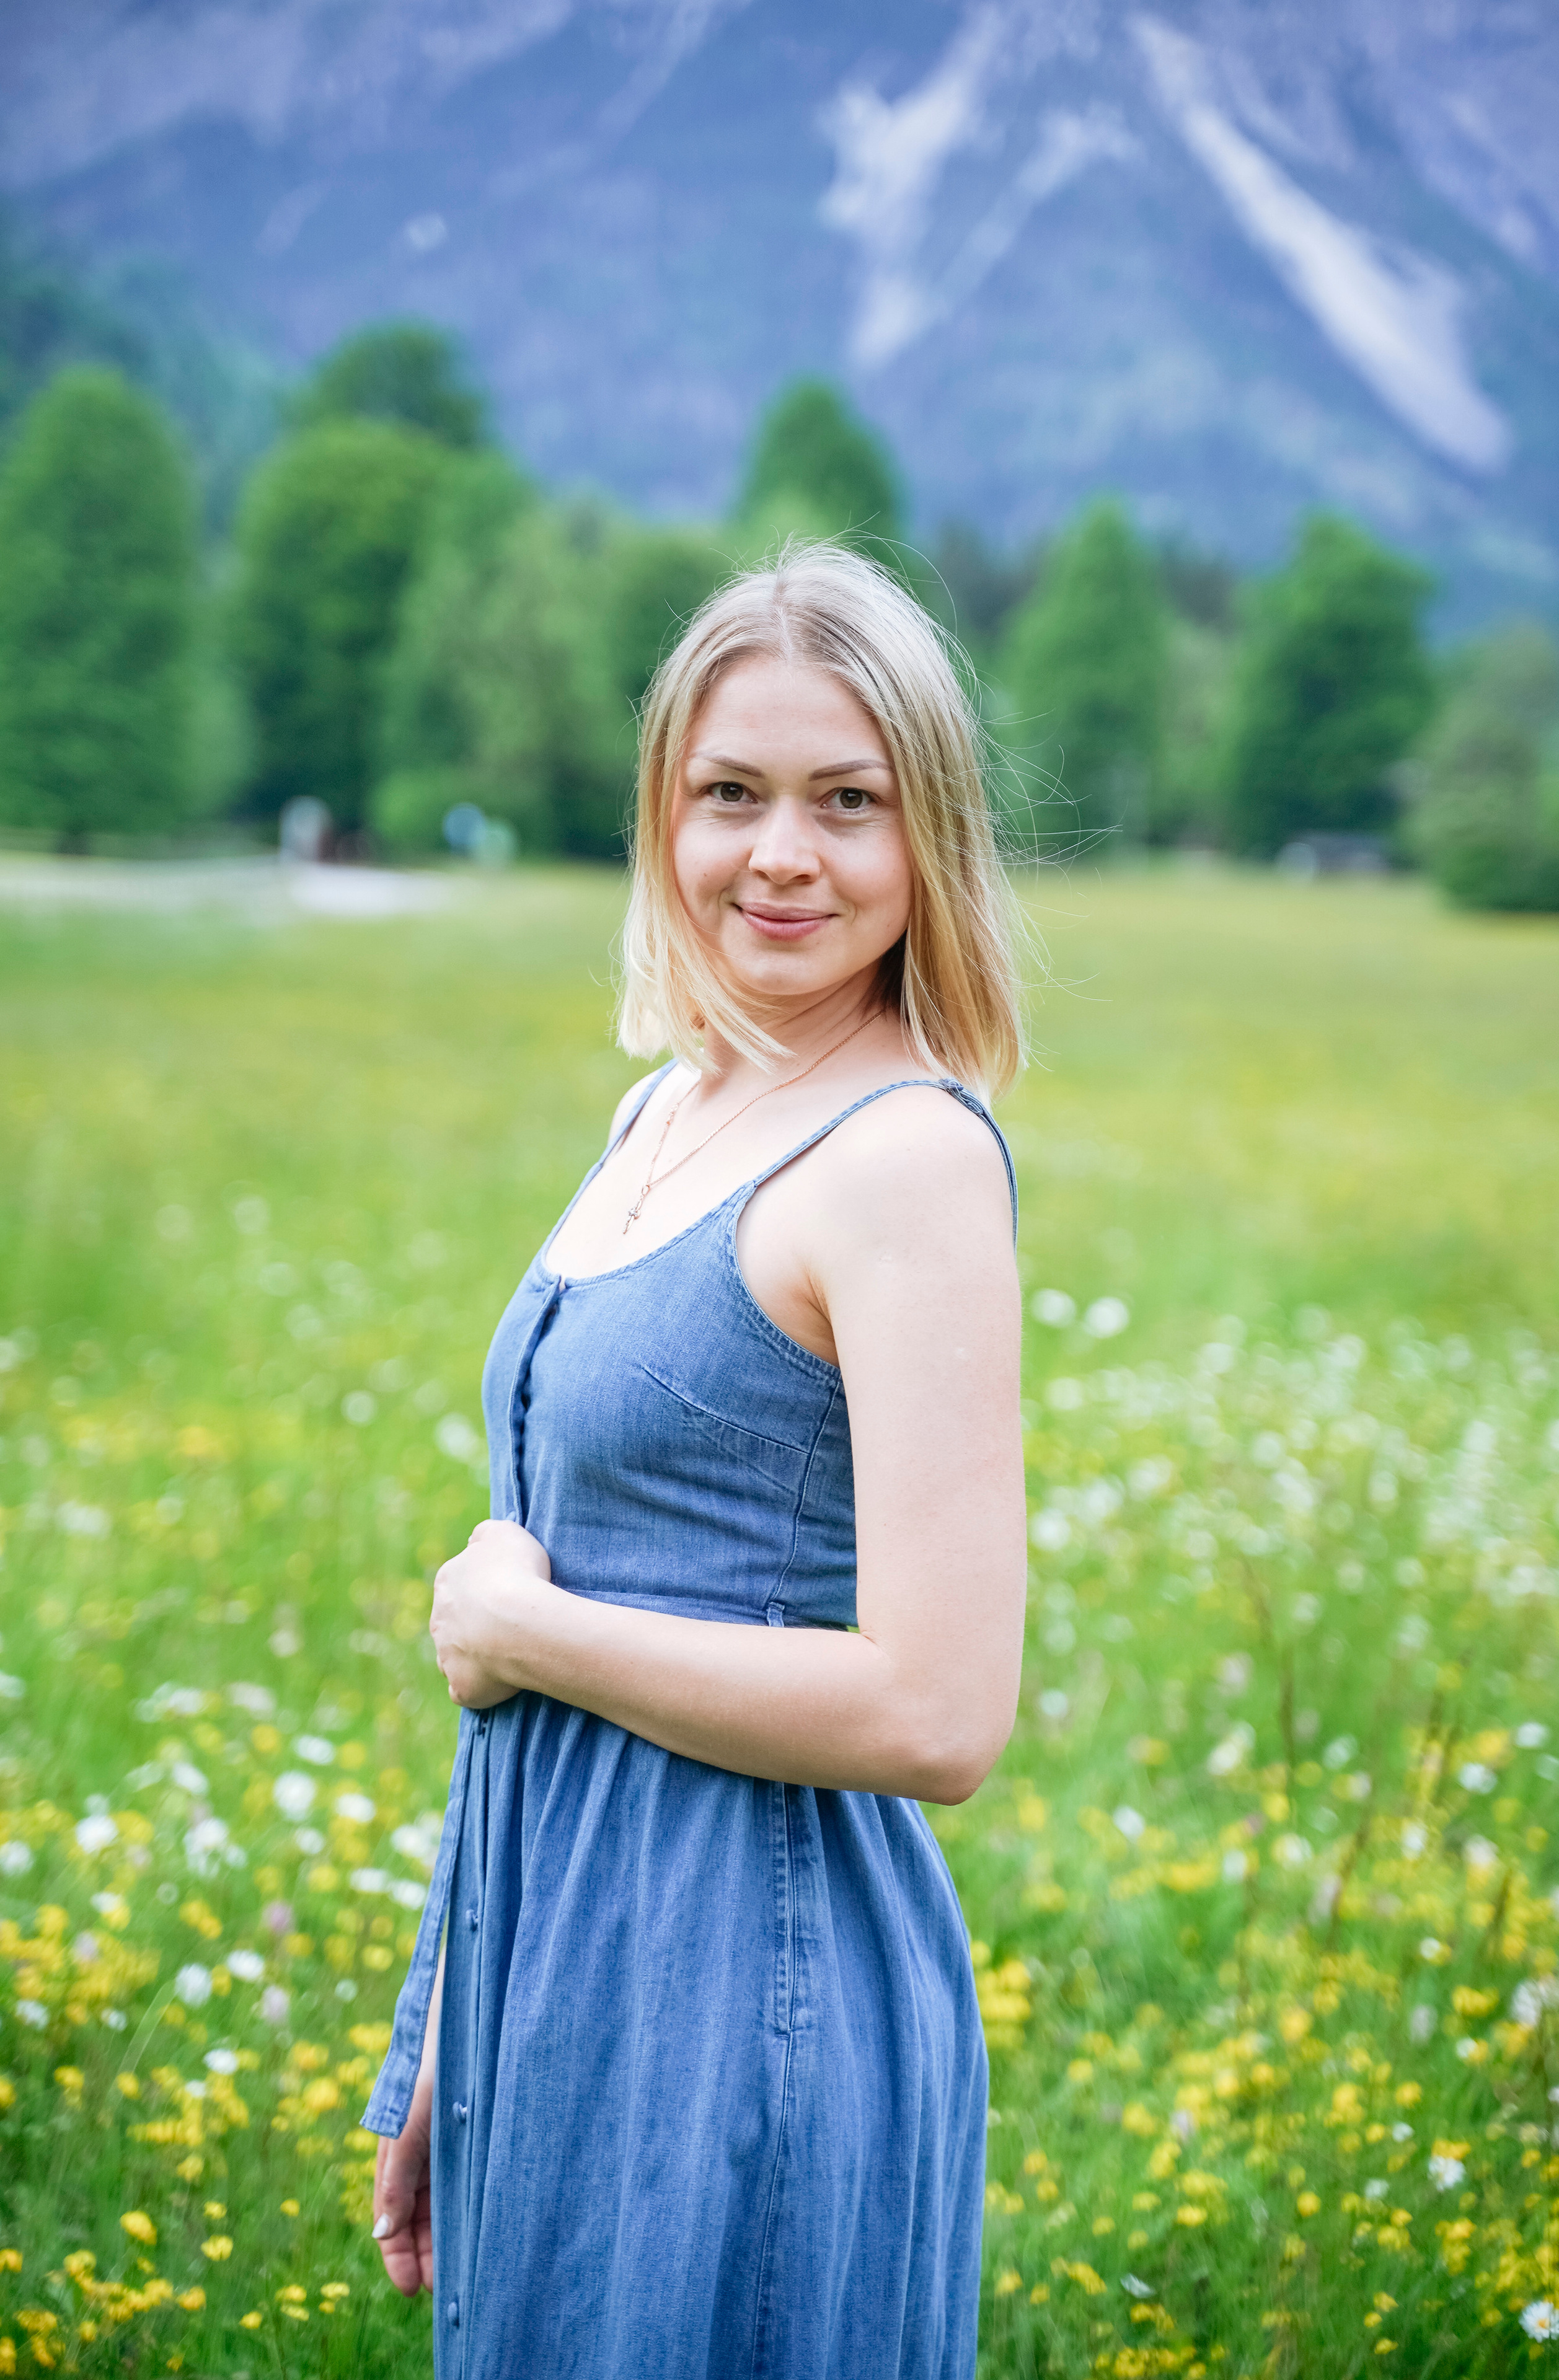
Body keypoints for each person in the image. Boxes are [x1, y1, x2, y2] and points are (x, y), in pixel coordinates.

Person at [363, 541, 1028, 2378]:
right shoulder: (665, 1104)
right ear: (666, 810)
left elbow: (939, 1715)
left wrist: (522, 1634)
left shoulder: (905, 1162)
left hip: (754, 1985)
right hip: (562, 1952)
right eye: (732, 793)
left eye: (847, 801)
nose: (781, 853)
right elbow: (556, 1586)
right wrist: (451, 2036)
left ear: (930, 833)